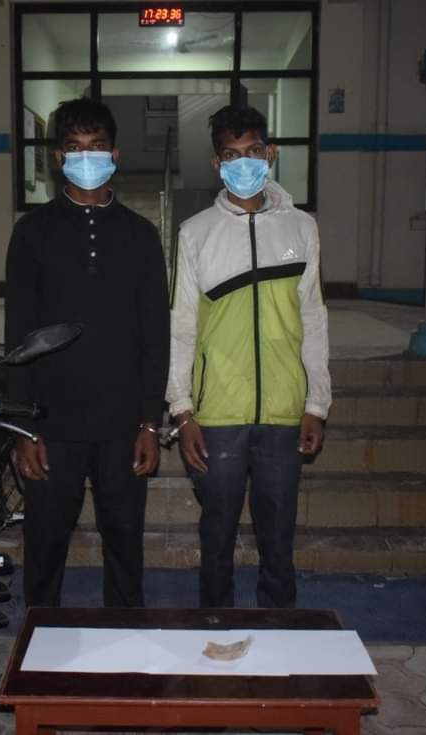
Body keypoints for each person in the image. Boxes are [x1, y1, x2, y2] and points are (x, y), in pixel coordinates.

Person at [4, 97, 170, 608]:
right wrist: (24, 428)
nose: (87, 157)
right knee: (45, 543)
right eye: (75, 147)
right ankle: (39, 635)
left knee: (125, 541)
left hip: (122, 423)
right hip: (52, 423)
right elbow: (18, 335)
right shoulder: (32, 233)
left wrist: (149, 422)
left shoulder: (141, 236)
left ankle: (125, 632)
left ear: (114, 154)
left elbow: (155, 335)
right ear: (58, 158)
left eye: (96, 146)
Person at [166, 104, 331, 609]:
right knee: (216, 531)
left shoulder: (301, 228)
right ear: (217, 163)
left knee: (278, 532)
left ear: (271, 153)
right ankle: (215, 620)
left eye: (254, 151)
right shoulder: (196, 232)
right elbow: (182, 325)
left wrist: (316, 404)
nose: (244, 163)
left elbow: (314, 317)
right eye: (232, 154)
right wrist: (182, 410)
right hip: (217, 415)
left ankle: (278, 624)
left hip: (284, 411)